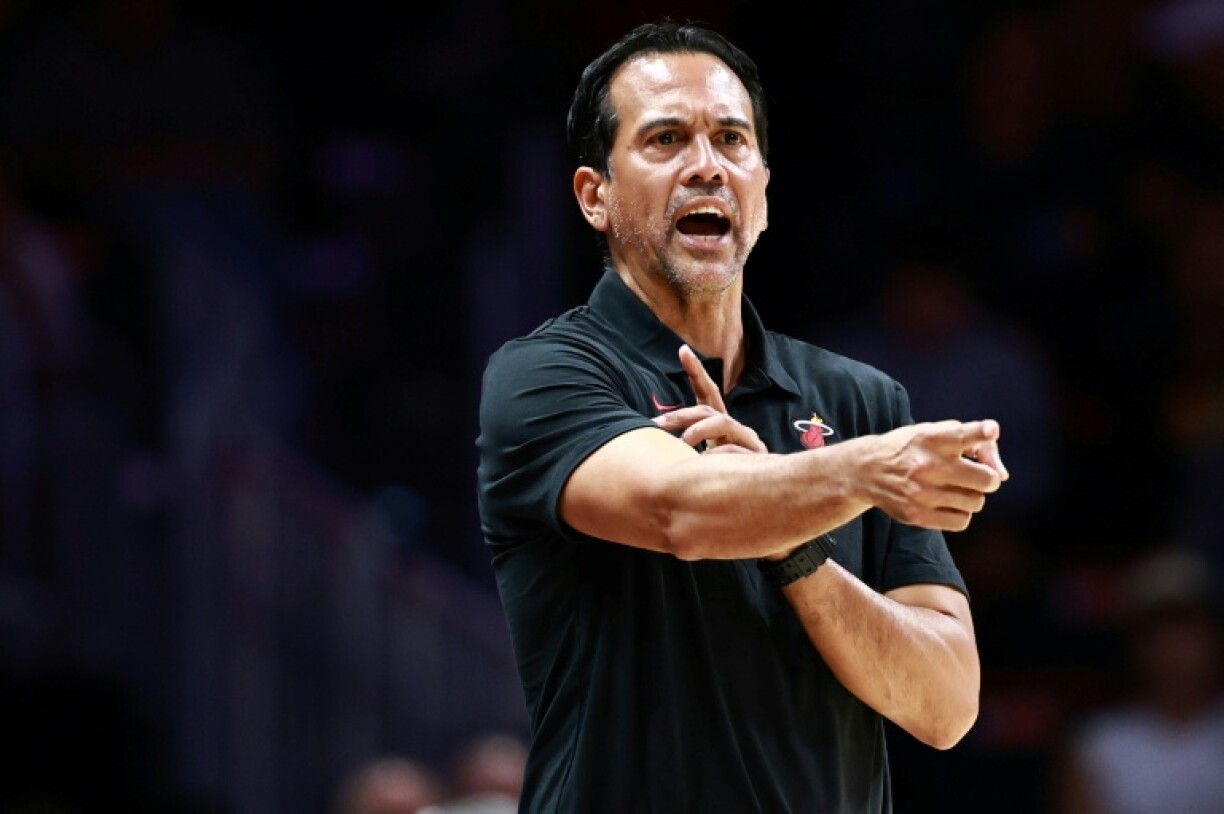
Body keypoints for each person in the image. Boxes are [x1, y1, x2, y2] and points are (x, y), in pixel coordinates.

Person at [475, 20, 1009, 813]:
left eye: (732, 140)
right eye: (665, 140)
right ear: (595, 195)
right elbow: (680, 510)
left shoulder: (862, 401)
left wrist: (797, 546)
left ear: (763, 187)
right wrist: (863, 471)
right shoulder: (546, 375)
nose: (706, 167)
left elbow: (944, 706)